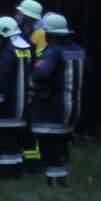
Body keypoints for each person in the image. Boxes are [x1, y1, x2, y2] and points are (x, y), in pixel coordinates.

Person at [30, 12, 87, 186]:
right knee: (62, 142)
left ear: (48, 33)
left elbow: (41, 73)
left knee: (49, 145)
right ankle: (61, 176)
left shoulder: (52, 52)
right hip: (73, 107)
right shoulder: (78, 50)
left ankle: (55, 181)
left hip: (52, 108)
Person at [0, 15, 33, 179]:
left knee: (4, 141)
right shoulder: (23, 49)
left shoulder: (7, 53)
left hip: (5, 108)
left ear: (2, 35)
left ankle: (8, 173)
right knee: (14, 140)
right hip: (20, 106)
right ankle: (16, 169)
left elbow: (1, 79)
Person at [14, 0, 47, 174]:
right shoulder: (25, 32)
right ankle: (29, 160)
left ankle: (34, 163)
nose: (17, 15)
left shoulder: (39, 34)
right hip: (27, 83)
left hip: (34, 85)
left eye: (20, 12)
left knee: (31, 125)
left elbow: (39, 60)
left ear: (27, 16)